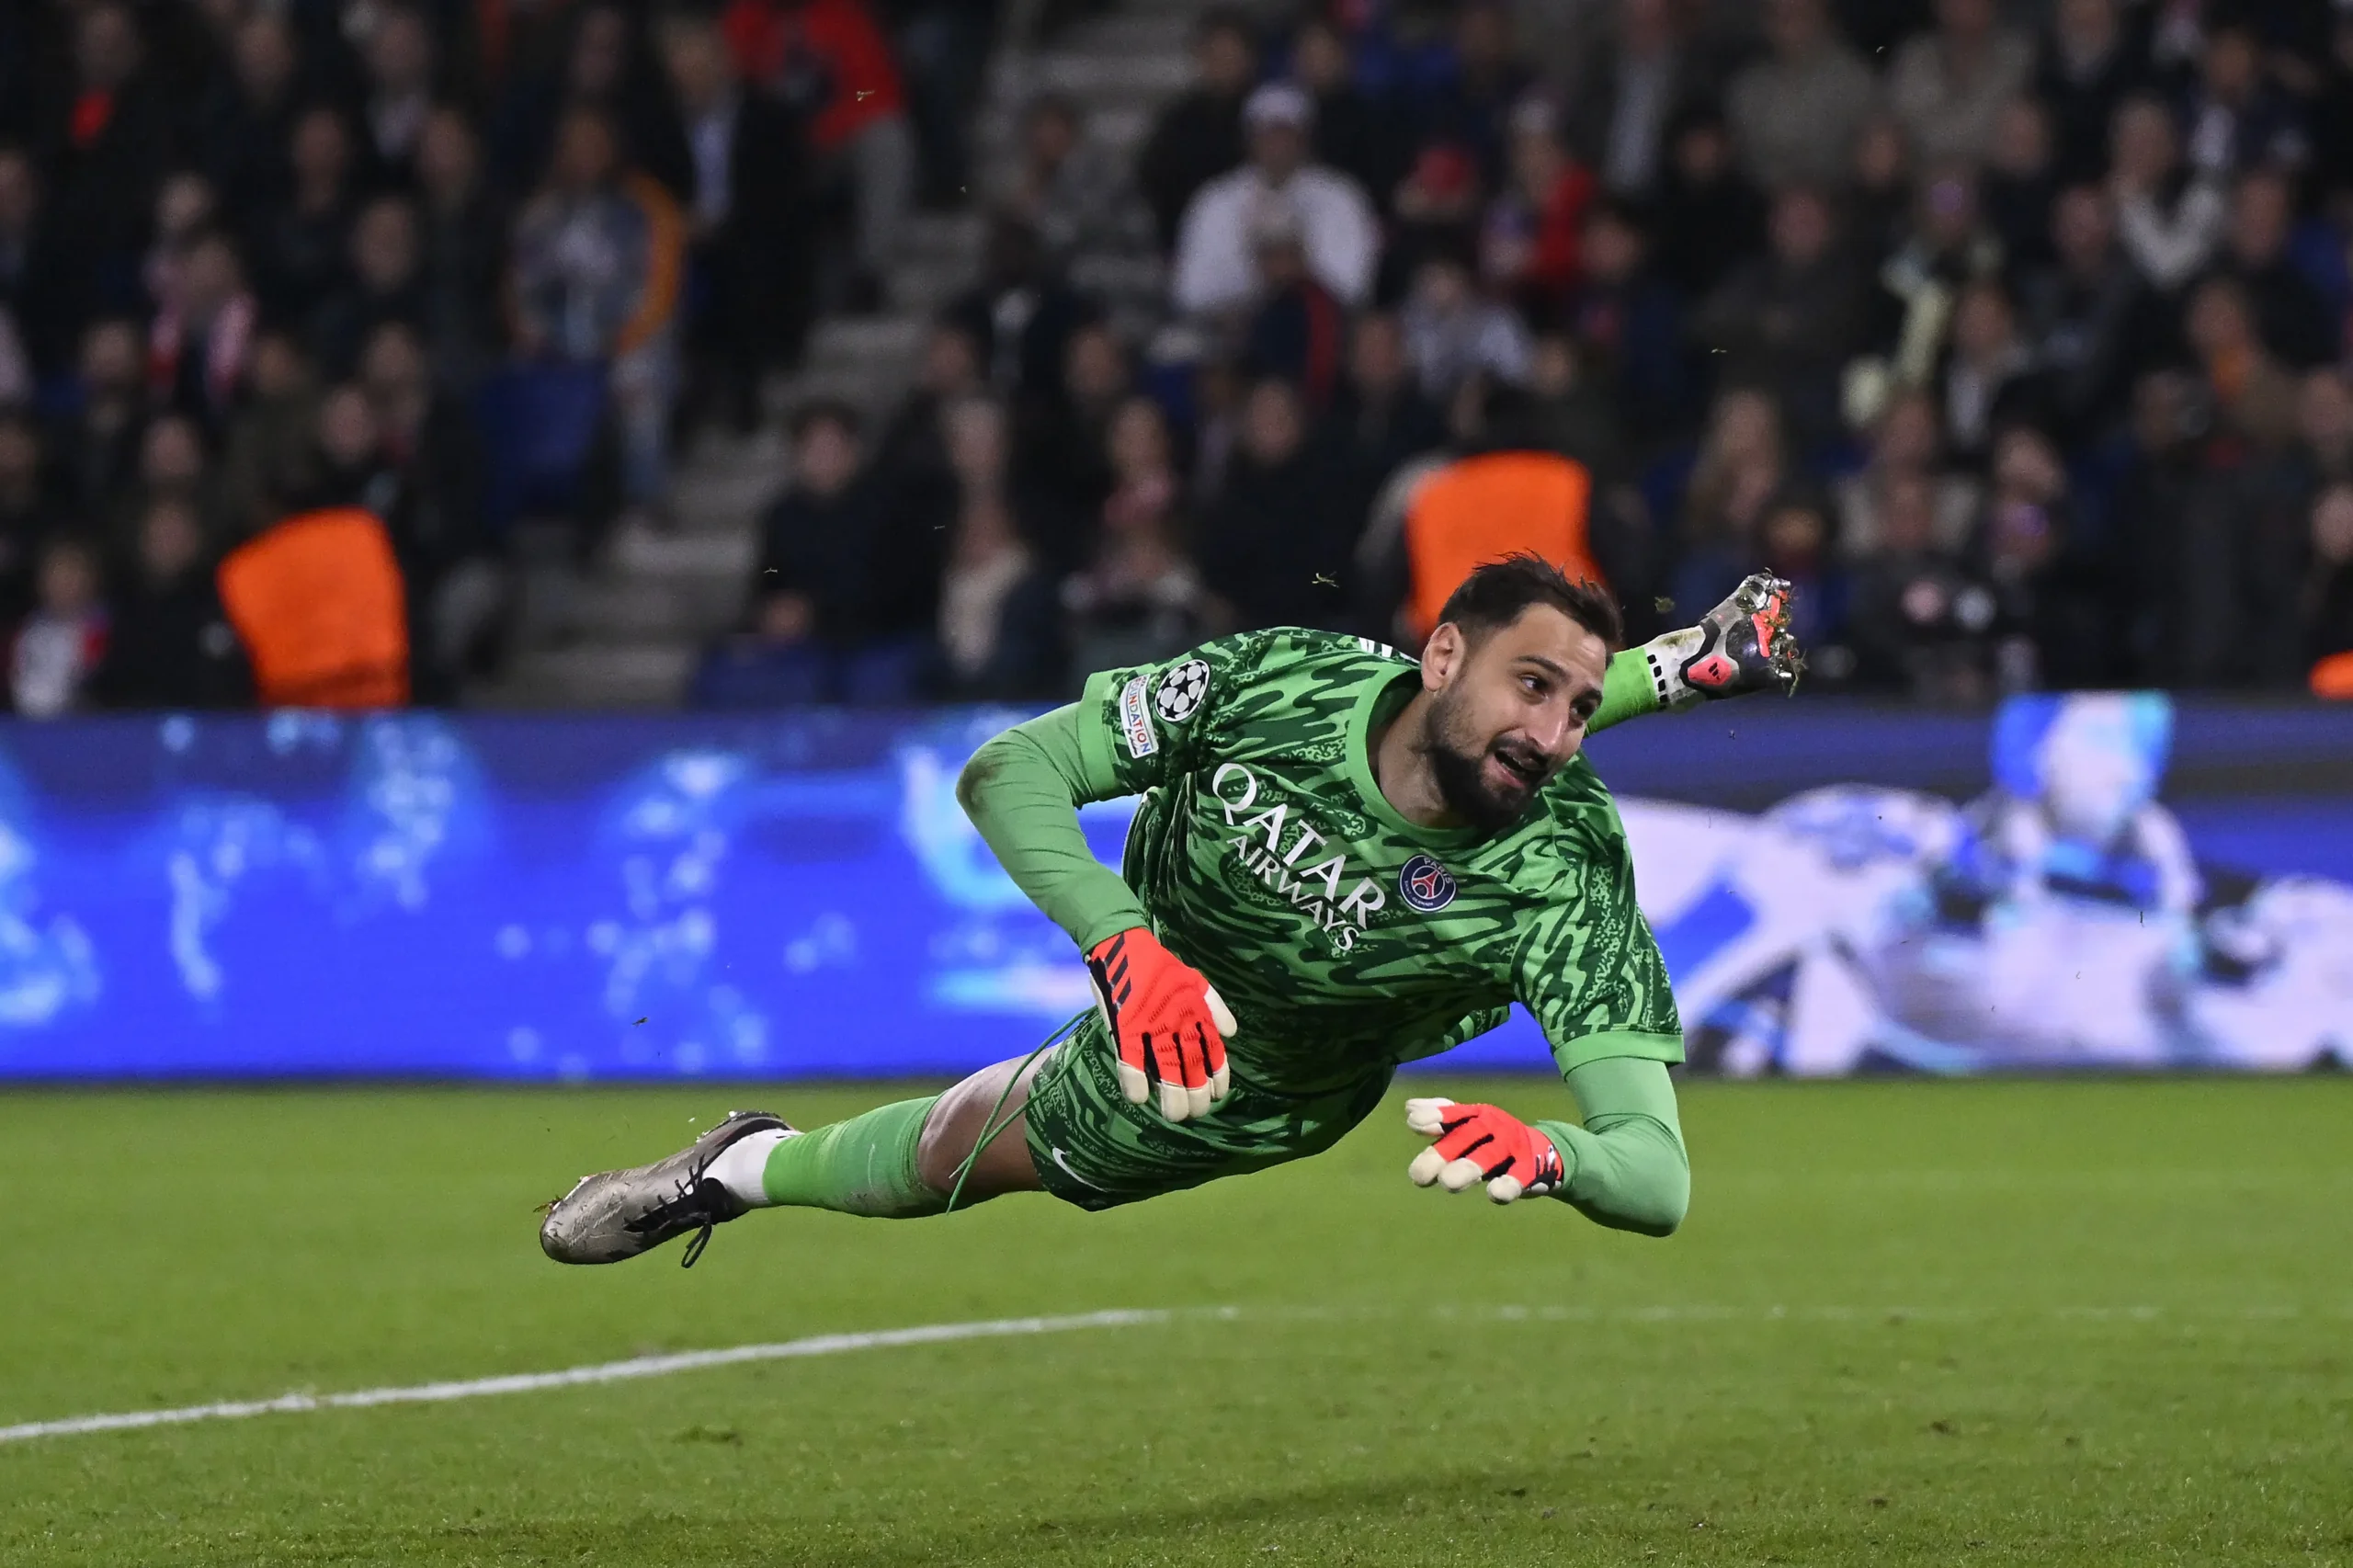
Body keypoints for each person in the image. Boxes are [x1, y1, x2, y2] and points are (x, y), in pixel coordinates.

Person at [538, 558, 1802, 1267]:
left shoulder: (1563, 873)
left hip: (1246, 1078)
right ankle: (1683, 662)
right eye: (1533, 683)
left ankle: (740, 1168)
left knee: (956, 1153)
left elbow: (1660, 1174)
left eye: (1582, 707)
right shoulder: (1290, 681)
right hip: (1151, 952)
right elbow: (1008, 771)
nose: (1555, 732)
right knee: (1489, 718)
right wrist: (1124, 947)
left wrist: (1556, 1155)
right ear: (1438, 658)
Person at [1170, 83, 1379, 321]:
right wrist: (1256, 274)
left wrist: (1299, 274)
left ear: (1305, 138)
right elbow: (1190, 291)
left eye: (1286, 134)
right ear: (1249, 139)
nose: (1277, 145)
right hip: (1228, 329)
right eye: (1267, 135)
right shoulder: (1215, 199)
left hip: (1319, 328)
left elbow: (1355, 286)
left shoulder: (1341, 196)